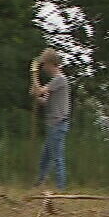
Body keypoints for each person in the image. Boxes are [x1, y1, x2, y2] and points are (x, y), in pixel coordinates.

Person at [32, 49, 71, 189]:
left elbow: (41, 91)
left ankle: (61, 187)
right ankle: (40, 182)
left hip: (57, 124)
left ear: (50, 63)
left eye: (44, 64)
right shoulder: (55, 81)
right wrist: (37, 97)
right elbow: (44, 100)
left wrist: (34, 75)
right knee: (45, 157)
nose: (43, 68)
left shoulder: (60, 79)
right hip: (52, 124)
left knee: (57, 157)